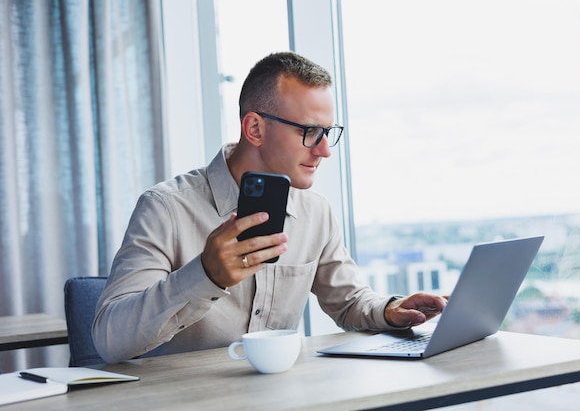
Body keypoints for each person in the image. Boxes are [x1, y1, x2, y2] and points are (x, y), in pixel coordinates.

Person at [93, 51, 447, 364]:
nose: (324, 150)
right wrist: (204, 275)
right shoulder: (165, 209)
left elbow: (348, 301)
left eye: (328, 132)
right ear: (255, 128)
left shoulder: (315, 212)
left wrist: (391, 310)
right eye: (309, 131)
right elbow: (110, 340)